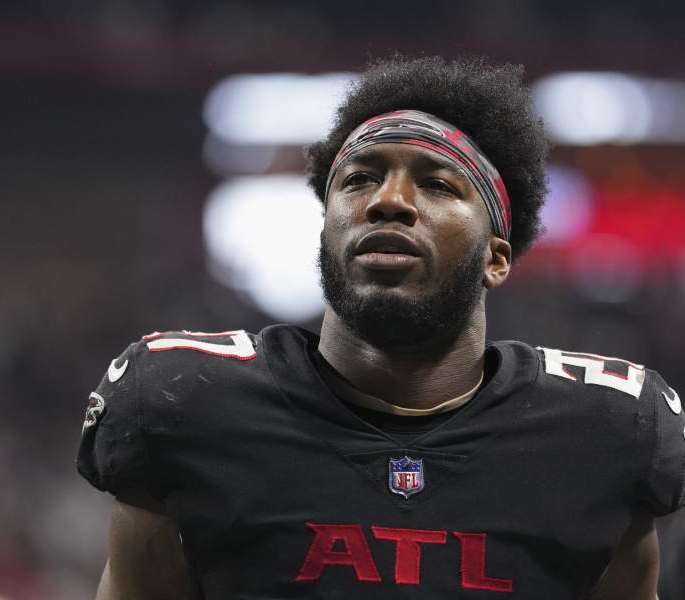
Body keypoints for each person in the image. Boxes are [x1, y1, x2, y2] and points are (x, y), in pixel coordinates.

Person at [76, 55, 684, 599]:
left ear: (496, 258)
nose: (388, 200)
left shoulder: (608, 429)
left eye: (438, 184)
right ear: (325, 232)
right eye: (359, 178)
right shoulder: (181, 401)